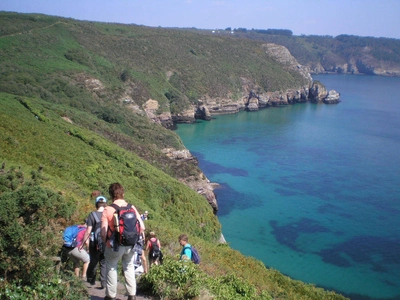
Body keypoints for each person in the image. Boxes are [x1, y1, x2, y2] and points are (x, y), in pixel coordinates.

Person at [101, 183, 145, 300]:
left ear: (111, 195)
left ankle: (111, 296)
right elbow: (142, 227)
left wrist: (105, 243)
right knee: (129, 267)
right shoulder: (132, 207)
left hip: (114, 245)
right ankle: (132, 295)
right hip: (130, 244)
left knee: (111, 267)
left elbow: (103, 232)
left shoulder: (108, 209)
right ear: (123, 193)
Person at [82, 194, 107, 288]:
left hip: (94, 243)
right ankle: (103, 282)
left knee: (94, 261)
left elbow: (88, 230)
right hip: (105, 243)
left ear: (97, 204)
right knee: (104, 262)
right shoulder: (108, 214)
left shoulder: (92, 215)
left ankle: (90, 280)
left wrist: (84, 241)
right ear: (105, 204)